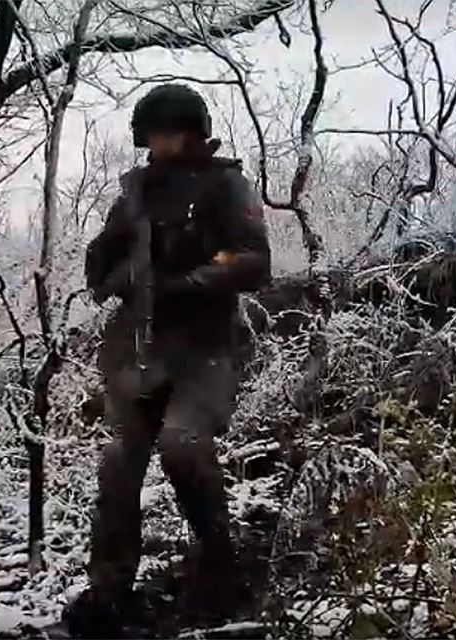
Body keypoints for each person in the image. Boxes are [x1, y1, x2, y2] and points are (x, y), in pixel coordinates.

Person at [65, 84, 272, 637]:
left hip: (204, 346)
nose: (163, 142)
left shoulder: (227, 185)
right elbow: (103, 259)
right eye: (155, 133)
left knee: (183, 445)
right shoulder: (133, 193)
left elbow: (253, 259)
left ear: (195, 131)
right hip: (136, 348)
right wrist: (115, 276)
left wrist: (187, 282)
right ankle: (109, 591)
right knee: (117, 464)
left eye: (173, 131)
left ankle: (219, 565)